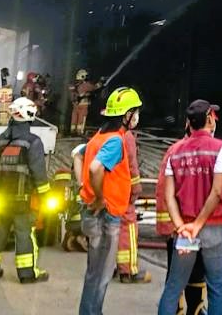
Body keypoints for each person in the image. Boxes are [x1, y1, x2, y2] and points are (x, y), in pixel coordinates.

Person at [157, 99, 222, 315]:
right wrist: (198, 224)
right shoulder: (220, 148)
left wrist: (182, 226)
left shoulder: (175, 151)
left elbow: (168, 195)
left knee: (173, 288)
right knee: (216, 288)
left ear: (189, 124)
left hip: (185, 231)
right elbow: (218, 191)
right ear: (209, 119)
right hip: (214, 227)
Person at [76, 86, 143, 315]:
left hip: (92, 213)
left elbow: (79, 156)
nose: (136, 117)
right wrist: (100, 198)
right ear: (125, 115)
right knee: (102, 276)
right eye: (134, 112)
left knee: (94, 273)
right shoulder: (115, 141)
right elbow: (95, 168)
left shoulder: (98, 137)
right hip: (105, 216)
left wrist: (83, 188)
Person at [0, 97, 51, 283]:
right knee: (24, 232)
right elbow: (39, 173)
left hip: (0, 198)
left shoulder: (1, 141)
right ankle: (27, 273)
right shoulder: (33, 142)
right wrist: (45, 196)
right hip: (22, 199)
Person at [156, 129, 208, 315]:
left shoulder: (182, 150)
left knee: (193, 274)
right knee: (179, 277)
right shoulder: (179, 151)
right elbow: (165, 191)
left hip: (192, 227)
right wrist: (170, 226)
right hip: (185, 228)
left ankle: (195, 308)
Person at [116, 126, 150, 283]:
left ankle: (113, 267)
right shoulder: (127, 136)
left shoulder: (105, 133)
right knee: (128, 229)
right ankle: (129, 270)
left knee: (112, 230)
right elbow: (132, 167)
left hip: (110, 192)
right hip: (124, 192)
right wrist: (136, 189)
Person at [70, 69, 99, 136]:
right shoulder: (86, 85)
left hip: (75, 106)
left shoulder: (75, 85)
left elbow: (72, 95)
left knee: (74, 119)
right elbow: (94, 88)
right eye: (86, 76)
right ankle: (80, 132)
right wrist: (100, 83)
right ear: (83, 76)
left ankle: (73, 131)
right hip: (84, 105)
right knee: (81, 119)